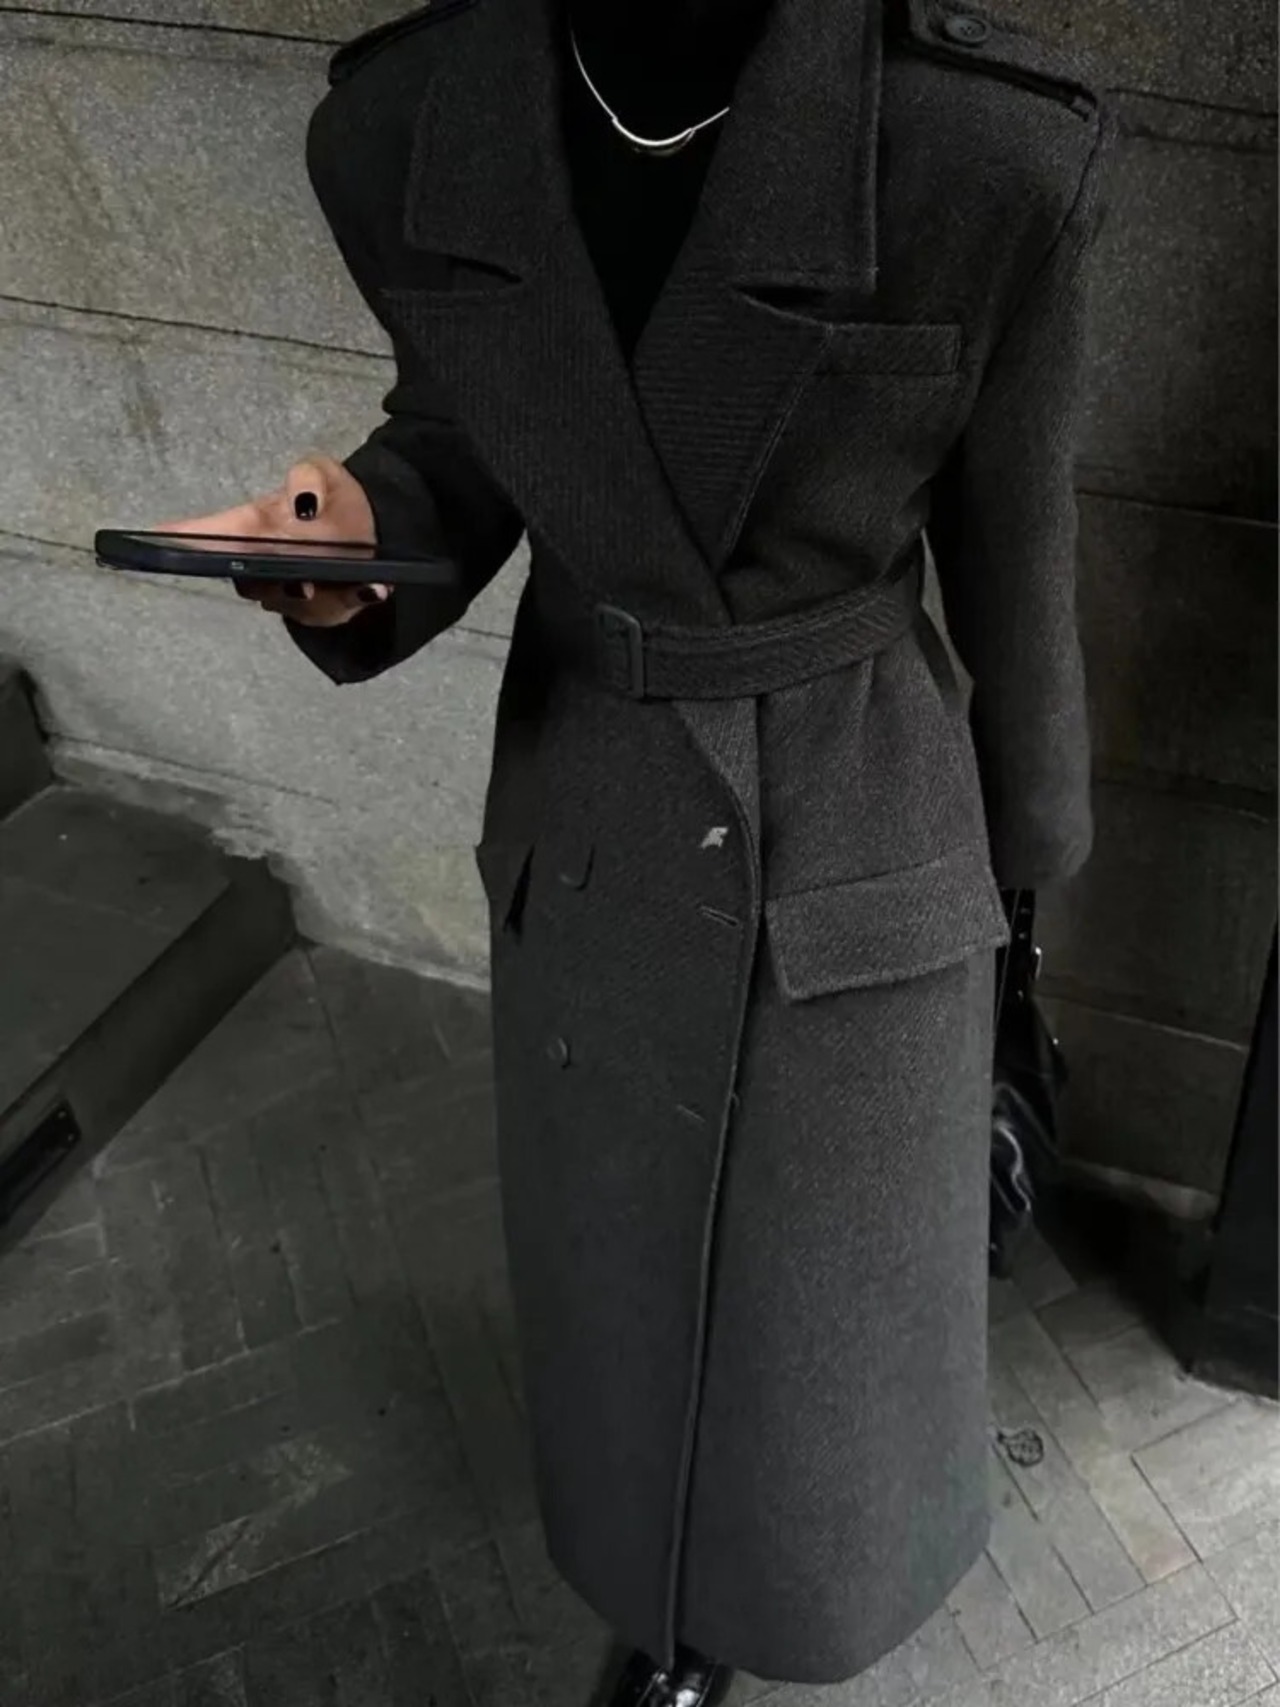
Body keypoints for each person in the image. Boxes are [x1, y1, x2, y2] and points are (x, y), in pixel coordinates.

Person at [163, 1, 1117, 1701]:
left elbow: (1016, 566)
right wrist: (357, 534)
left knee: (821, 1323)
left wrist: (1022, 888)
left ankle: (776, 1604)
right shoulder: (412, 127)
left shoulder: (984, 156)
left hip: (851, 809)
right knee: (616, 1275)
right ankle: (659, 1606)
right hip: (594, 794)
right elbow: (473, 433)